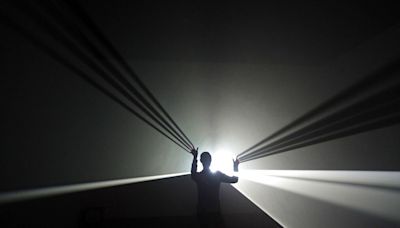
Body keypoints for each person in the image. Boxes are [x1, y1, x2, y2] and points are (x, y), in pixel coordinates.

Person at [191, 148, 240, 228]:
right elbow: (235, 179)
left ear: (201, 161)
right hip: (214, 209)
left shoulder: (199, 176)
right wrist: (235, 167)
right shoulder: (217, 175)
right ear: (211, 161)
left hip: (202, 209)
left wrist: (194, 157)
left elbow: (193, 173)